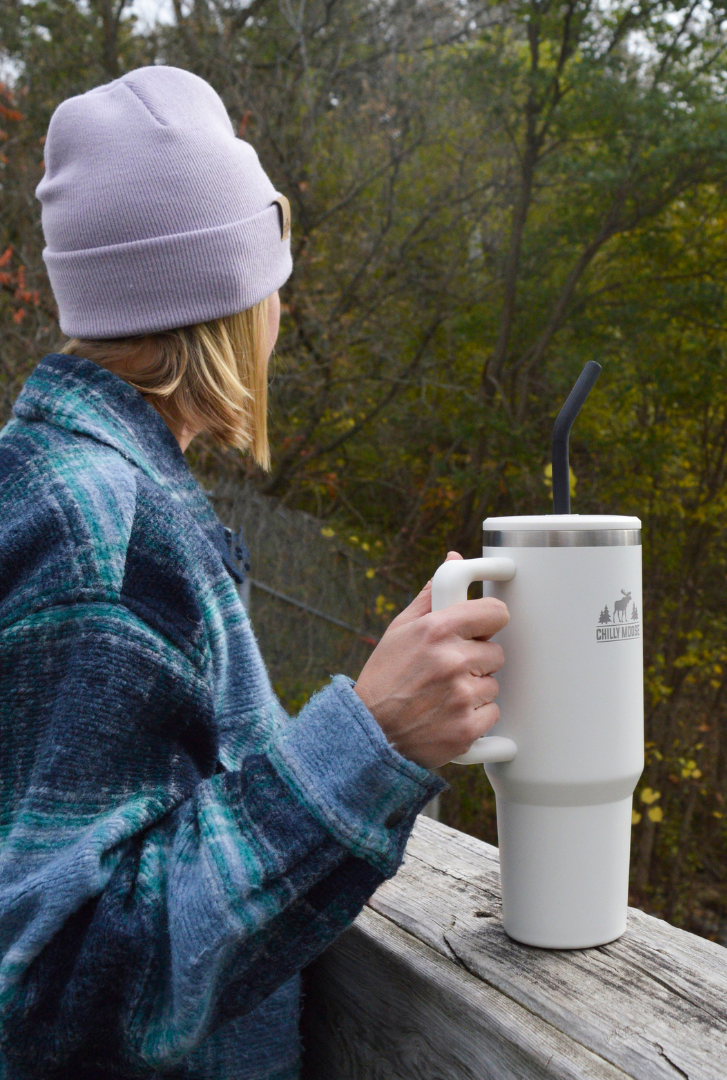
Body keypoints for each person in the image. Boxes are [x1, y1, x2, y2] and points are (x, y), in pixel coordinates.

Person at [0, 65, 508, 1079]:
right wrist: (370, 744)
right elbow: (56, 996)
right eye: (273, 276)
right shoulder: (110, 536)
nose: (280, 306)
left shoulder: (49, 480)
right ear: (233, 296)